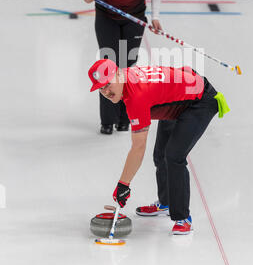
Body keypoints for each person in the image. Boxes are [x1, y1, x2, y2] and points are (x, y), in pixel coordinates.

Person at [88, 59, 230, 235]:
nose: (106, 91)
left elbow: (138, 148)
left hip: (199, 102)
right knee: (160, 154)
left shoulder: (136, 96)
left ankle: (183, 218)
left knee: (174, 156)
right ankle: (165, 203)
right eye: (101, 88)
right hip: (176, 100)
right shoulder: (125, 79)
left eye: (108, 84)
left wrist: (123, 184)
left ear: (118, 74)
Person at [78, 0, 162, 135]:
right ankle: (107, 120)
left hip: (134, 17)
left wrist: (155, 16)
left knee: (127, 66)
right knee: (108, 64)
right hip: (107, 15)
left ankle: (125, 116)